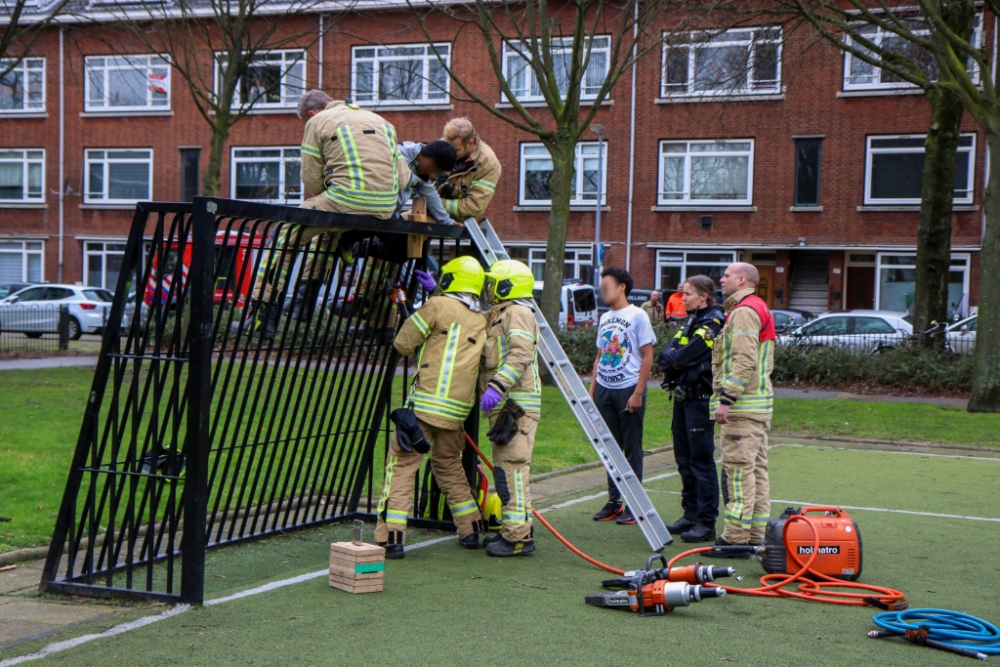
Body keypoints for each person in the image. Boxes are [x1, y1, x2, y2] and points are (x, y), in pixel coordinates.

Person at [242, 90, 410, 338]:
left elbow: (310, 176)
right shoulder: (382, 122)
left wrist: (331, 198)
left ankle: (261, 318)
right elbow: (404, 178)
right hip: (385, 209)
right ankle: (302, 305)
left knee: (283, 235)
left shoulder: (317, 122)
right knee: (328, 234)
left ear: (312, 113)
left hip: (344, 200)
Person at [374, 256, 488, 559]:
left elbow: (403, 343)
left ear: (451, 280)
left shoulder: (436, 306)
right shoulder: (481, 318)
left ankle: (391, 537)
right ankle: (472, 528)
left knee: (401, 467)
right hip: (456, 414)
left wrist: (426, 302)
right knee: (449, 466)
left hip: (424, 407)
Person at [709, 263, 776, 557]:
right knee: (756, 473)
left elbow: (744, 360)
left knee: (737, 473)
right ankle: (755, 536)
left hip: (742, 409)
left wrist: (727, 399)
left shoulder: (744, 311)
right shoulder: (757, 307)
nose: (721, 279)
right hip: (757, 408)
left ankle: (735, 539)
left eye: (725, 275)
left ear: (741, 279)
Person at [478, 259, 541, 557]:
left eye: (494, 283)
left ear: (506, 286)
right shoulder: (500, 314)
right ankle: (517, 531)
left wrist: (497, 386)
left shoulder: (518, 312)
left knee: (512, 470)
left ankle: (517, 538)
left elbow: (520, 355)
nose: (489, 288)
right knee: (506, 470)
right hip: (506, 407)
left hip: (515, 406)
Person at [658, 276, 725, 543]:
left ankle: (706, 523)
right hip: (683, 398)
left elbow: (685, 356)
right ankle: (691, 514)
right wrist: (674, 358)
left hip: (699, 400)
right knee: (684, 460)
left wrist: (675, 358)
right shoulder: (692, 319)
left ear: (703, 296)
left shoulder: (712, 321)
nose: (682, 298)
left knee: (700, 461)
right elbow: (667, 354)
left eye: (686, 294)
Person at [589, 267, 656, 526]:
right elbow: (599, 357)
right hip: (605, 389)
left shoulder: (638, 315)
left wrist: (638, 392)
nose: (603, 290)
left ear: (622, 287)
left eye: (607, 285)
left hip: (628, 389)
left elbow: (648, 356)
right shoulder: (605, 317)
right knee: (609, 448)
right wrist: (592, 392)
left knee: (631, 448)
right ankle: (614, 501)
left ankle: (634, 504)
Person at [438, 118, 502, 222]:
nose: (449, 152)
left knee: (407, 229)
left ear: (471, 143)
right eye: (447, 146)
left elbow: (473, 207)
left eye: (456, 150)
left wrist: (435, 203)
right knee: (403, 223)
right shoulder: (442, 145)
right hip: (430, 211)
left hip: (459, 221)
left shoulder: (488, 164)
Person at [396, 140, 456, 224]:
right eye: (435, 170)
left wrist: (448, 221)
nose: (434, 175)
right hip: (377, 210)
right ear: (431, 161)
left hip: (390, 213)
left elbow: (431, 195)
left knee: (399, 236)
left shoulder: (420, 171)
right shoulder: (399, 153)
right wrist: (415, 180)